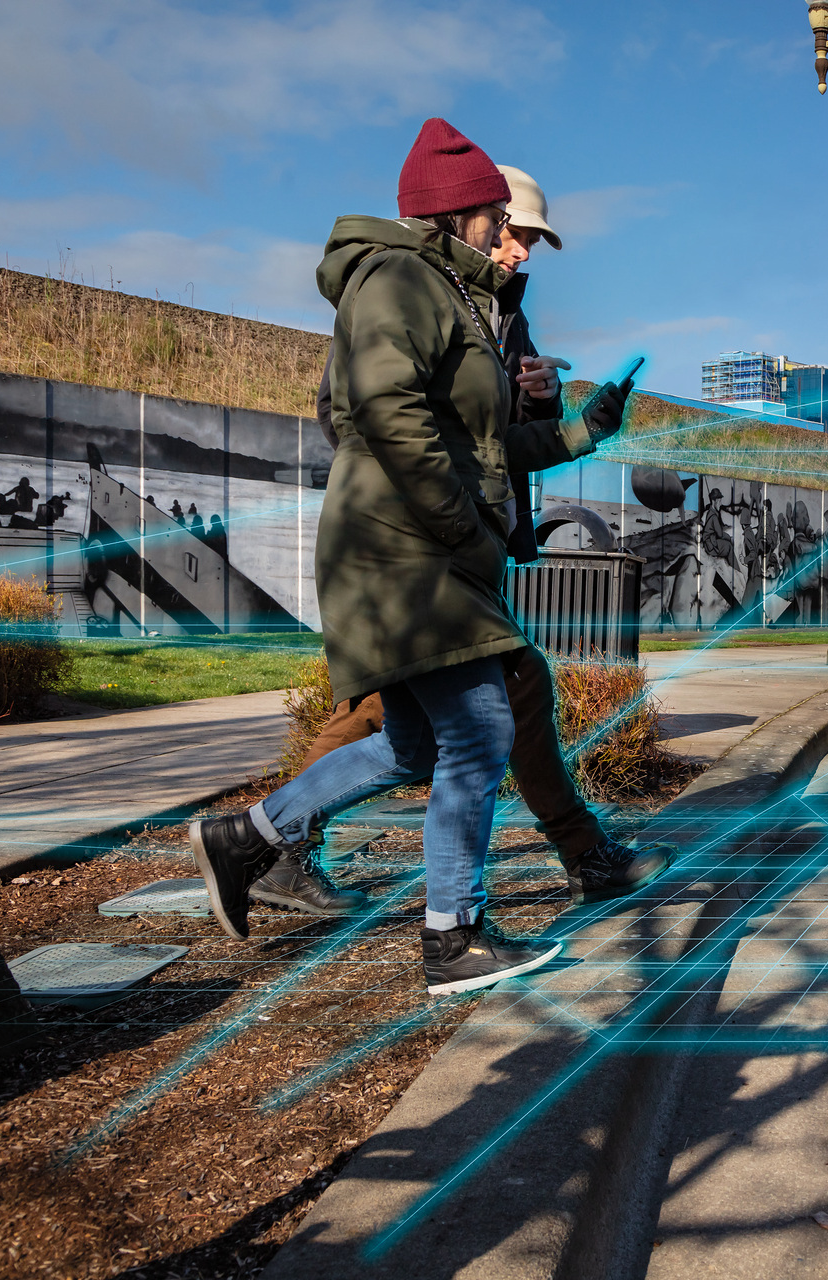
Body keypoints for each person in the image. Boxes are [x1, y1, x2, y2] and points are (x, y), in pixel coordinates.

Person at [189, 118, 646, 995]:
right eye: (492, 216)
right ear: (458, 215)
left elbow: (483, 439)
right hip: (403, 551)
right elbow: (387, 411)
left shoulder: (455, 298)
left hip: (417, 548)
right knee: (479, 727)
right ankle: (454, 936)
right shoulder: (399, 278)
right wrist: (465, 531)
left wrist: (585, 427)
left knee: (415, 744)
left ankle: (249, 838)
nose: (503, 235)